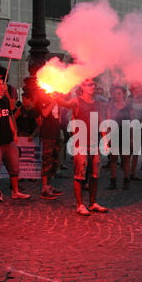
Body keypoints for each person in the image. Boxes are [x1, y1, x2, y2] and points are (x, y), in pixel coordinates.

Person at [56, 78, 109, 216]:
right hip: (80, 143)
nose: (93, 86)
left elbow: (100, 120)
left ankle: (93, 203)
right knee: (80, 174)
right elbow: (65, 103)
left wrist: (105, 139)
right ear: (83, 87)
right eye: (89, 84)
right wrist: (54, 94)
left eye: (93, 84)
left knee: (95, 174)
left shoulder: (97, 103)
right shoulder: (76, 100)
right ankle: (80, 205)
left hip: (93, 143)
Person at [36, 93, 63, 200]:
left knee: (54, 161)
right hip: (47, 134)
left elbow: (59, 115)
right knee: (47, 160)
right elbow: (45, 113)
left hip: (55, 133)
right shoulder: (43, 98)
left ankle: (49, 185)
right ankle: (44, 188)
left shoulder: (55, 98)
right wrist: (53, 101)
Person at [106, 85, 131, 190]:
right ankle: (113, 181)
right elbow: (108, 123)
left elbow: (132, 123)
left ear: (124, 94)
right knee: (113, 159)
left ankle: (126, 180)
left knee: (125, 159)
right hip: (114, 134)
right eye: (115, 93)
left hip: (125, 134)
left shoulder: (128, 107)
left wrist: (131, 138)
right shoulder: (111, 107)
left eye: (119, 93)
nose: (117, 96)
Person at [129, 82, 142, 179]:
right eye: (136, 91)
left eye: (140, 91)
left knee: (137, 150)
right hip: (132, 127)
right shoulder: (130, 102)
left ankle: (133, 173)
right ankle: (127, 172)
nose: (138, 92)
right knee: (130, 151)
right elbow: (130, 117)